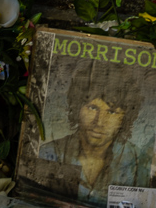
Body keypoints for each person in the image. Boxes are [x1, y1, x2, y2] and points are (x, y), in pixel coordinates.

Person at [39, 65, 146, 205]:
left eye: (112, 112)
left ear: (125, 118)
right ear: (76, 108)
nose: (99, 122)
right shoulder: (48, 154)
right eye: (92, 108)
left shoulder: (139, 161)